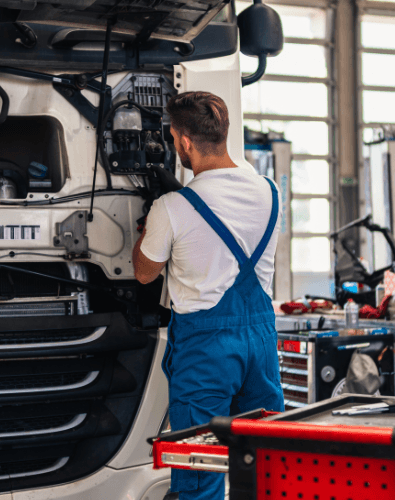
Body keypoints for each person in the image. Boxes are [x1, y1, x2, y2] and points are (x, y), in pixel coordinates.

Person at [132, 91, 284, 500]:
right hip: (261, 343)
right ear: (224, 132)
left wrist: (153, 221)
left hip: (205, 351)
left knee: (200, 473)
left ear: (182, 142)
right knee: (265, 464)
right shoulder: (270, 191)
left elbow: (144, 274)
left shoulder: (171, 208)